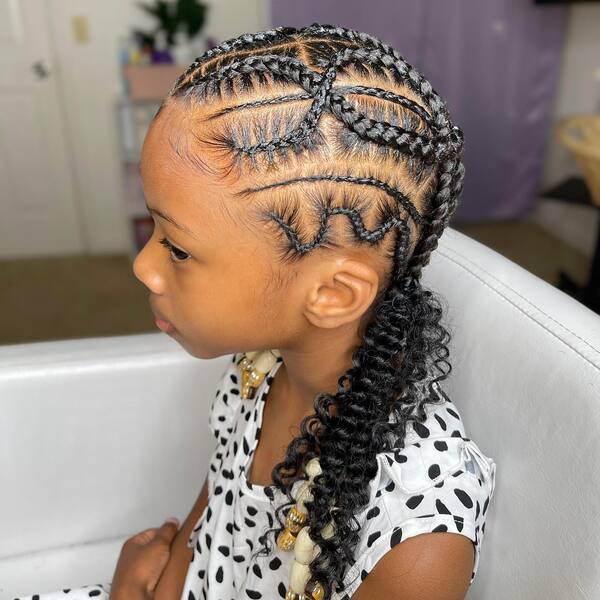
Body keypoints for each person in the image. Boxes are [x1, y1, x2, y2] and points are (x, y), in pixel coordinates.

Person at [16, 23, 497, 600]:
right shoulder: (260, 368)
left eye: (176, 246)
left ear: (333, 294)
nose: (144, 267)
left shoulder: (416, 535)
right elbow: (207, 523)